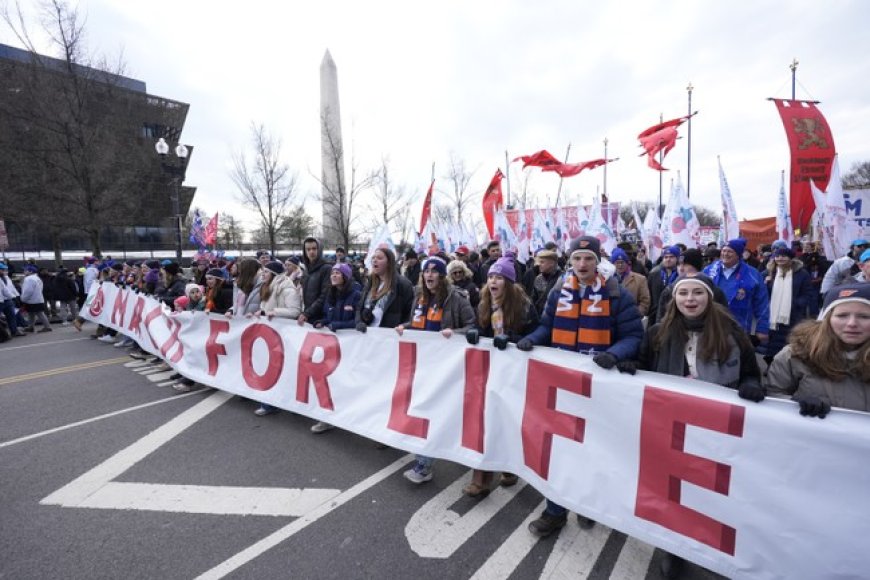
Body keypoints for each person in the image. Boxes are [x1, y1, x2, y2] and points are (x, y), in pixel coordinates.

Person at [639, 275, 764, 578]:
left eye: (697, 293)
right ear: (675, 298)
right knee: (674, 492)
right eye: (683, 293)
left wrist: (749, 385)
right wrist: (629, 367)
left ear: (710, 298)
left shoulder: (732, 332)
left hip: (717, 430)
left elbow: (751, 373)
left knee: (712, 493)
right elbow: (642, 369)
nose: (690, 299)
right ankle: (675, 549)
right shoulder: (658, 332)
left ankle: (713, 550)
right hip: (671, 426)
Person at [518, 236, 644, 538]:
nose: (582, 264)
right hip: (562, 383)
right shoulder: (558, 291)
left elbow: (633, 336)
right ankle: (555, 510)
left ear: (597, 261)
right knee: (559, 449)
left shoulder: (617, 293)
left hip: (599, 385)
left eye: (588, 258)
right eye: (577, 259)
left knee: (594, 448)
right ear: (570, 261)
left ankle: (590, 506)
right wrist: (531, 340)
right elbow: (547, 326)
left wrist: (614, 354)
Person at [395, 256, 475, 484]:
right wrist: (405, 327)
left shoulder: (457, 297)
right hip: (422, 364)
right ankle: (425, 458)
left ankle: (424, 464)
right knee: (423, 409)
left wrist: (455, 333)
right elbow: (417, 323)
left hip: (446, 366)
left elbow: (472, 326)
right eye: (425, 271)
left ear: (442, 275)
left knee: (436, 411)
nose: (429, 275)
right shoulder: (419, 297)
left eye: (434, 271)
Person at [463, 257, 539, 498]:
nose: (493, 281)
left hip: (515, 371)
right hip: (489, 370)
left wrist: (515, 339)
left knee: (509, 419)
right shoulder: (484, 302)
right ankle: (481, 478)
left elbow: (537, 335)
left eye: (498, 277)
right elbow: (479, 324)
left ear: (508, 282)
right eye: (490, 277)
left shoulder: (524, 305)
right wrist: (475, 331)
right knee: (485, 420)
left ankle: (509, 467)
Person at [767, 283, 870, 417]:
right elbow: (773, 395)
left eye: (864, 317)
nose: (852, 324)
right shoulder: (797, 354)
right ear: (827, 318)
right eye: (842, 315)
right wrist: (794, 403)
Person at [703, 238, 770, 345]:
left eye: (730, 251)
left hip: (740, 328)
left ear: (738, 254)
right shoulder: (708, 271)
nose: (725, 254)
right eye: (724, 251)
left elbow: (762, 302)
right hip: (711, 326)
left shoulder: (752, 274)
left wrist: (762, 328)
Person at [758, 245, 816, 366]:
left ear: (790, 258)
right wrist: (766, 284)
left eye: (783, 256)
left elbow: (808, 293)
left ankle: (787, 370)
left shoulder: (801, 273)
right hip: (772, 317)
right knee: (771, 346)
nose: (780, 258)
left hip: (793, 316)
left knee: (790, 345)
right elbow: (761, 294)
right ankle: (771, 368)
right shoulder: (768, 273)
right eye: (777, 256)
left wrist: (795, 303)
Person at [355, 247, 414, 333]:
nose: (374, 260)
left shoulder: (403, 284)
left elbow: (409, 315)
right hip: (367, 337)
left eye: (379, 258)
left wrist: (402, 327)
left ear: (389, 262)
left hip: (388, 338)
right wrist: (359, 322)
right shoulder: (370, 282)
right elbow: (359, 308)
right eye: (373, 258)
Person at [297, 237, 332, 327]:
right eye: (308, 249)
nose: (311, 252)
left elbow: (324, 295)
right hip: (308, 315)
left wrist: (307, 313)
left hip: (320, 317)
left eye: (314, 249)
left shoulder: (326, 268)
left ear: (319, 250)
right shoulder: (306, 269)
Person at [611, 247, 651, 317]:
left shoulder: (640, 279)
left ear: (627, 263)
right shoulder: (608, 280)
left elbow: (645, 301)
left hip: (632, 318)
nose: (620, 265)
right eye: (617, 263)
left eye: (622, 262)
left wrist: (636, 315)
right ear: (613, 264)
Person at [647, 245, 680, 323]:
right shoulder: (654, 274)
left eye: (671, 257)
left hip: (675, 315)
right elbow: (649, 294)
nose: (668, 259)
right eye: (666, 257)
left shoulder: (680, 275)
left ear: (677, 259)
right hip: (655, 315)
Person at [528, 249, 563, 316]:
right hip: (540, 317)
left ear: (552, 263)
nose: (539, 265)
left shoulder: (562, 279)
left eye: (542, 262)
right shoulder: (538, 278)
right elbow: (533, 299)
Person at [0, 262, 24, 337]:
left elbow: (5, 289)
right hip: (1, 301)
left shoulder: (4, 278)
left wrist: (13, 297)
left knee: (11, 316)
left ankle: (14, 331)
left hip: (7, 300)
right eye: (2, 270)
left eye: (4, 270)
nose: (4, 271)